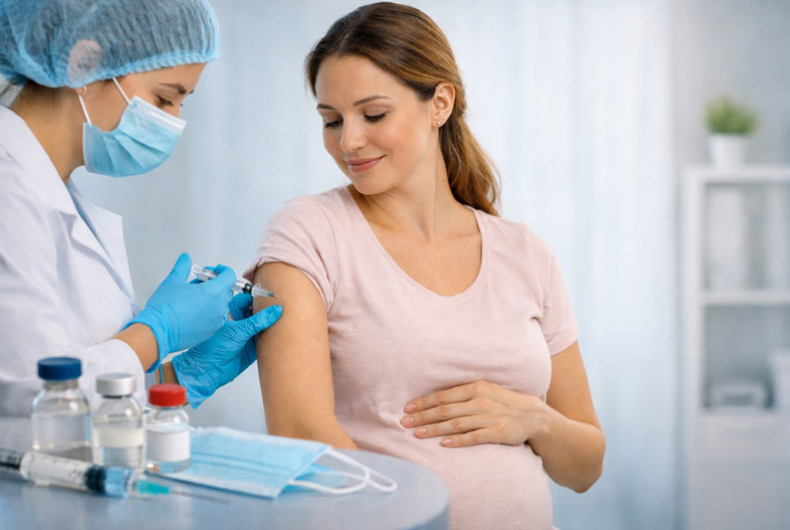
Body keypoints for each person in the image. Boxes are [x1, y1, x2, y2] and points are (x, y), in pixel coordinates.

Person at [244, 3, 605, 529]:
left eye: (373, 115)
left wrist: (536, 420)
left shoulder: (525, 253)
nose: (348, 141)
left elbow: (585, 467)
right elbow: (302, 433)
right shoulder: (308, 233)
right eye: (331, 120)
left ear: (439, 104)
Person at [0, 0, 282, 416]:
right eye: (165, 98)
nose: (173, 121)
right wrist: (156, 332)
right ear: (83, 65)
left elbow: (83, 393)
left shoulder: (54, 193)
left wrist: (180, 378)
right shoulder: (8, 191)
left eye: (182, 103)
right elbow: (27, 397)